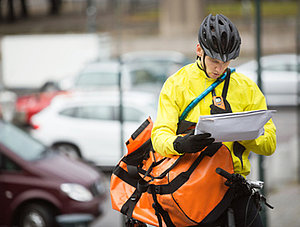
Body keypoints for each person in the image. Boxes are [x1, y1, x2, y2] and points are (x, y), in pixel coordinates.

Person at [151, 14, 276, 227]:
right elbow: (159, 136)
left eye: (226, 61)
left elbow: (270, 144)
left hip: (236, 183)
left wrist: (244, 132)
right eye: (215, 61)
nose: (220, 68)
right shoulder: (177, 85)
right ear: (199, 50)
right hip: (193, 185)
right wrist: (180, 143)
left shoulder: (246, 88)